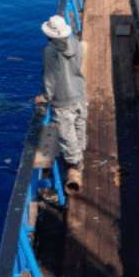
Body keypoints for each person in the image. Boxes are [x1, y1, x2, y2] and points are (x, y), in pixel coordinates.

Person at [35, 14, 88, 194]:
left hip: (63, 98)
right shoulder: (74, 42)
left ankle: (75, 163)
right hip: (79, 92)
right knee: (80, 123)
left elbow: (50, 78)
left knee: (67, 133)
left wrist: (46, 97)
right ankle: (80, 151)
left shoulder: (50, 50)